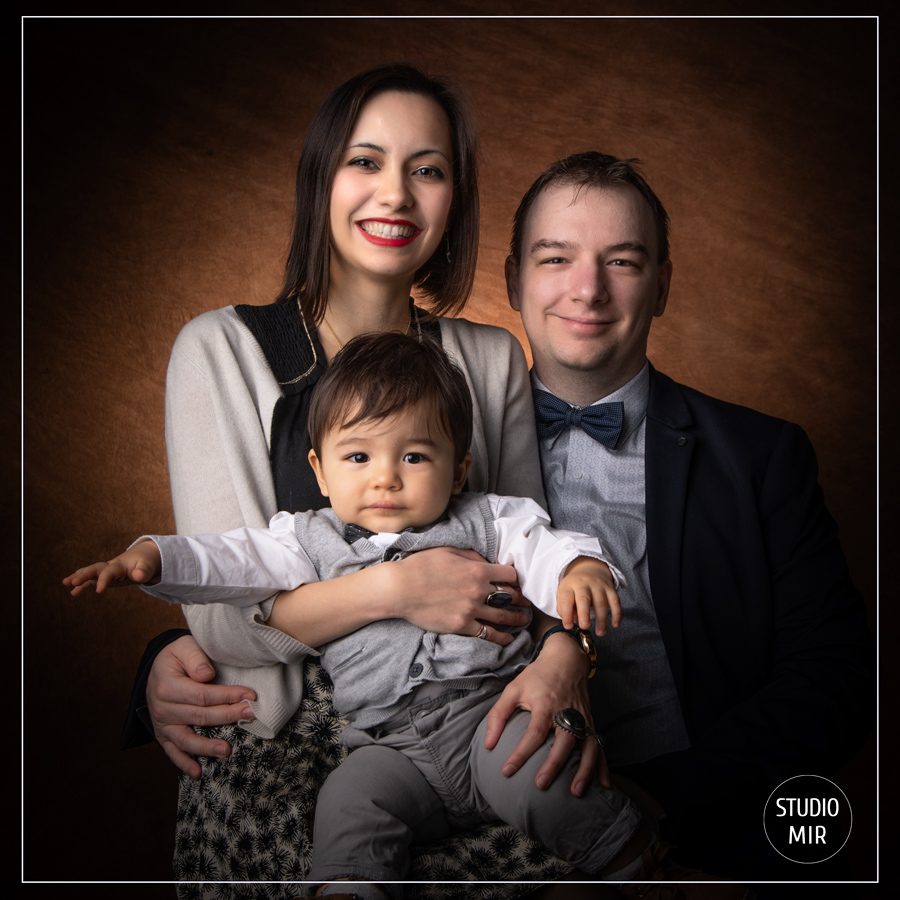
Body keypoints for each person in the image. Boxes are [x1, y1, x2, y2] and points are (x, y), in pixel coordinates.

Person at [124, 65, 608, 891]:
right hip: (283, 750)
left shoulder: (488, 361)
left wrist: (567, 661)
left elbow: (534, 577)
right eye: (366, 161)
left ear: (454, 198)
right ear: (321, 178)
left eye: (428, 169)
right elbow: (226, 629)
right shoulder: (221, 351)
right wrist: (398, 590)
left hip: (475, 720)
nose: (396, 194)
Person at [70, 333, 652, 894]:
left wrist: (580, 569)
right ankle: (350, 889)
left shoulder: (487, 519)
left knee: (548, 783)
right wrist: (155, 556)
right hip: (389, 748)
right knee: (347, 806)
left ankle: (646, 870)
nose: (385, 477)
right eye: (357, 455)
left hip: (489, 717)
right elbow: (231, 556)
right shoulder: (306, 541)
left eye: (415, 455)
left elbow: (545, 544)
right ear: (321, 471)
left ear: (458, 469)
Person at [501, 150, 876, 888]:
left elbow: (837, 679)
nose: (588, 289)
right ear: (513, 278)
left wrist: (661, 805)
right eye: (556, 258)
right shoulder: (425, 446)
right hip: (477, 831)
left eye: (623, 261)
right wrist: (197, 651)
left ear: (663, 286)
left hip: (696, 834)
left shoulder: (761, 456)